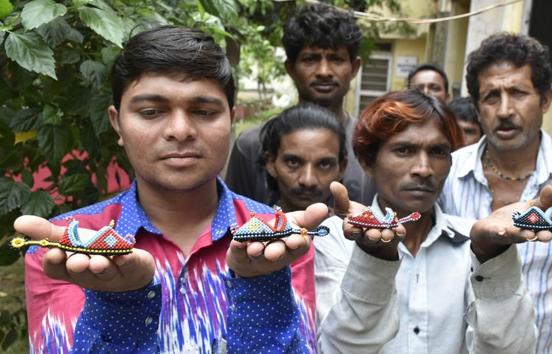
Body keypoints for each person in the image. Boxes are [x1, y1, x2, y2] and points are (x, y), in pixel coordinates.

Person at [16, 25, 329, 353]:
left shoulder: (280, 239)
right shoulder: (60, 248)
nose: (180, 130)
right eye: (151, 112)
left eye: (204, 112)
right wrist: (120, 306)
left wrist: (261, 288)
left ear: (231, 120)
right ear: (117, 123)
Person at [315, 89, 552, 353]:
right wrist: (373, 259)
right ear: (368, 161)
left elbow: (513, 350)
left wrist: (494, 258)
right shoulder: (336, 237)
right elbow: (338, 348)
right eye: (404, 150)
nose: (424, 169)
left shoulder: (477, 239)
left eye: (437, 152)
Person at [439, 32, 552, 353]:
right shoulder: (446, 175)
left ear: (546, 99)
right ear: (477, 107)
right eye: (491, 96)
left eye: (518, 93)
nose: (505, 110)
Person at [225, 3, 376, 205]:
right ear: (291, 68)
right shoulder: (251, 145)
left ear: (354, 67)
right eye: (311, 59)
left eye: (336, 59)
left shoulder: (372, 145)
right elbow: (236, 221)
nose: (324, 71)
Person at [260, 104, 347, 211]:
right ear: (271, 163)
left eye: (324, 165)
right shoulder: (247, 227)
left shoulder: (348, 227)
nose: (308, 181)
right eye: (293, 162)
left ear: (341, 168)